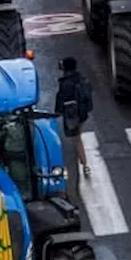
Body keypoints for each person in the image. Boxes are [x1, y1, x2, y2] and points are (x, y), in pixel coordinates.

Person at [55, 57, 94, 200]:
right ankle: (84, 164)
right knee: (78, 137)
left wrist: (57, 112)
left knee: (76, 139)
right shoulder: (82, 79)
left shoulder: (65, 83)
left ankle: (83, 165)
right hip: (82, 114)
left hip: (72, 115)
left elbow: (61, 100)